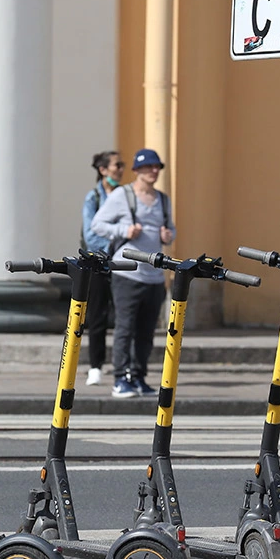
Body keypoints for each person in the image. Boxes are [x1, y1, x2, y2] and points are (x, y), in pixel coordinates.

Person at [90, 148, 175, 398]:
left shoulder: (163, 199)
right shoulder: (121, 195)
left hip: (155, 274)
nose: (154, 171)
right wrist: (125, 231)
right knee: (125, 327)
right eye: (149, 167)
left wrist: (168, 236)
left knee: (147, 331)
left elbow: (171, 229)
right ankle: (120, 378)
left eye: (157, 167)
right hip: (127, 273)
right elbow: (98, 225)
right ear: (137, 170)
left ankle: (138, 376)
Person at [80, 150, 125, 386]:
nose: (120, 170)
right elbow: (91, 235)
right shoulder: (93, 198)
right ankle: (95, 365)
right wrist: (116, 243)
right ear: (103, 170)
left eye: (122, 165)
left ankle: (122, 365)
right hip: (98, 263)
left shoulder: (126, 196)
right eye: (117, 165)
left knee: (124, 316)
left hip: (123, 264)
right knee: (97, 316)